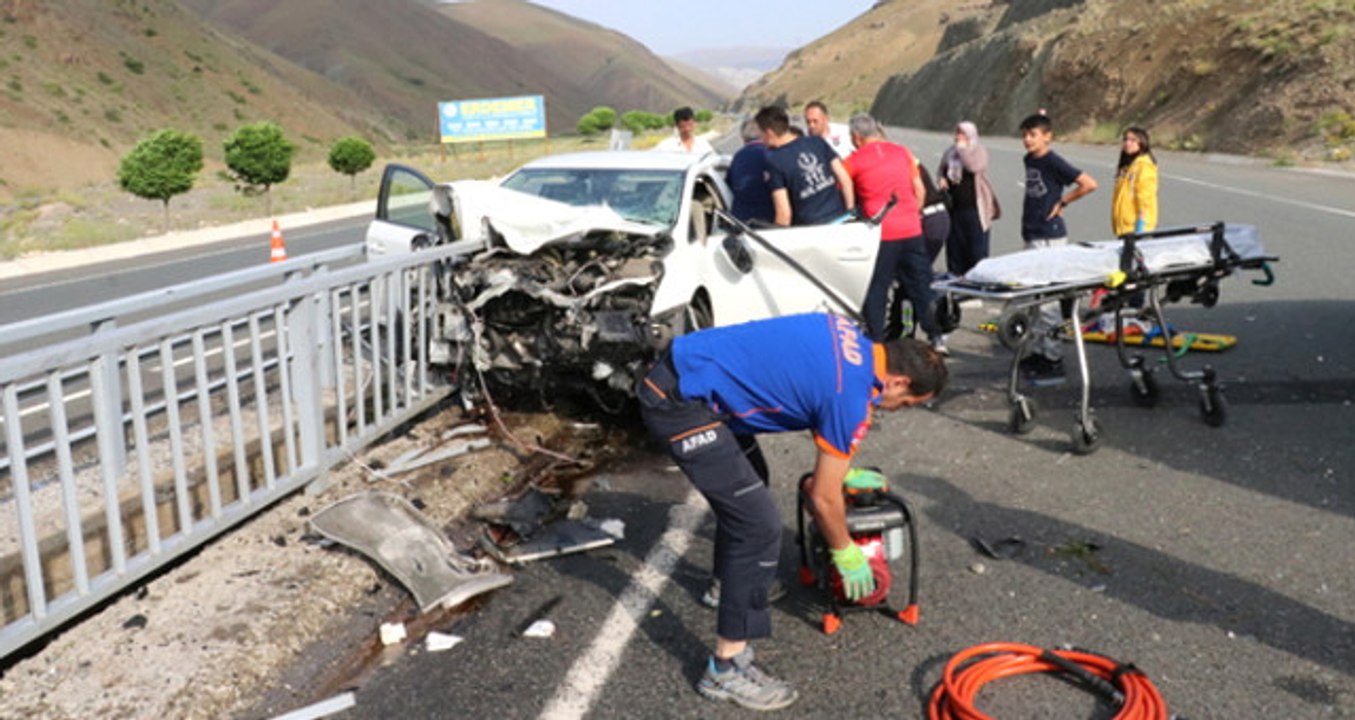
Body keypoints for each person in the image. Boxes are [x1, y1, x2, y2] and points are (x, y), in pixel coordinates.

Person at [636, 312, 947, 711]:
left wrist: (840, 474)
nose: (895, 409)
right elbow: (823, 497)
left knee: (751, 481)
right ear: (899, 381)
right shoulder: (851, 395)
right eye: (904, 403)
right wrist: (845, 551)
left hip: (688, 371)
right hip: (679, 402)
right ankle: (724, 669)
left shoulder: (846, 332)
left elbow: (800, 381)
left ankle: (723, 586)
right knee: (759, 525)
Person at [843, 113, 946, 354]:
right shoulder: (902, 152)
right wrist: (913, 213)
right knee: (922, 284)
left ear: (857, 138)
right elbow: (919, 189)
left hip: (881, 234)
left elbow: (844, 192)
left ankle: (876, 341)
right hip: (911, 229)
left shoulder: (853, 161)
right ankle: (936, 336)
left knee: (877, 287)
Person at [1018, 113, 1098, 385]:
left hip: (1049, 236)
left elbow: (1089, 183)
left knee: (1049, 302)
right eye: (1025, 135)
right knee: (1037, 299)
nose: (1028, 140)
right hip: (1032, 232)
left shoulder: (1053, 161)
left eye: (1033, 134)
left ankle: (1053, 360)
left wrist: (1064, 202)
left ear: (1047, 136)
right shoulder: (1029, 159)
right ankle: (1038, 353)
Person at [756, 106, 854, 226]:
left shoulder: (774, 161)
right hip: (840, 219)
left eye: (761, 134)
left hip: (811, 230)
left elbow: (784, 214)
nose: (761, 139)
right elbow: (845, 179)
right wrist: (850, 212)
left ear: (769, 133)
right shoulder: (816, 141)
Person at [937, 121, 1000, 277]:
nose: (958, 137)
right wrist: (941, 179)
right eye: (957, 133)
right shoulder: (950, 152)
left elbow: (973, 167)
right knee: (955, 249)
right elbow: (941, 169)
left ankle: (978, 284)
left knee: (976, 250)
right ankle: (957, 283)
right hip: (954, 208)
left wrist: (962, 149)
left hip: (975, 208)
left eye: (963, 133)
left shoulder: (979, 151)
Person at [1111, 126, 1158, 237]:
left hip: (1136, 227)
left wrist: (1141, 223)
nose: (1128, 143)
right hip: (1124, 227)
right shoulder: (1127, 167)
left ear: (1142, 142)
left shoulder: (1144, 164)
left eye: (1133, 140)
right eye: (1126, 139)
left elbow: (1144, 196)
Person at [726, 118, 774, 225]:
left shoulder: (738, 157)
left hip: (741, 222)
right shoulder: (772, 154)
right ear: (763, 135)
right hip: (769, 220)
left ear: (743, 138)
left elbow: (729, 184)